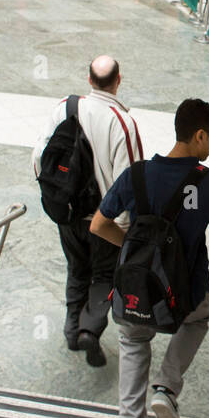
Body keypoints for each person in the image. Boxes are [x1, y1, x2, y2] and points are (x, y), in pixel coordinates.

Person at [89, 99, 209, 418]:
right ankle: (166, 387)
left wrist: (136, 248)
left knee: (133, 342)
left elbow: (99, 225)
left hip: (137, 285)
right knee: (198, 320)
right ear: (199, 136)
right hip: (187, 288)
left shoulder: (137, 174)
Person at [33, 56, 144, 366]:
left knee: (76, 269)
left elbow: (40, 156)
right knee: (104, 275)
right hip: (104, 222)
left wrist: (55, 196)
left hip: (67, 212)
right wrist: (129, 228)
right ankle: (90, 329)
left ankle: (72, 329)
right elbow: (130, 181)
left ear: (89, 79)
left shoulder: (64, 108)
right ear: (118, 80)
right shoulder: (122, 123)